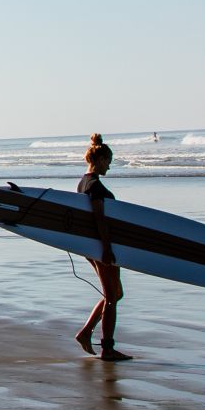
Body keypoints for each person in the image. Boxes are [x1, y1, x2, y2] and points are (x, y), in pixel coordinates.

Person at [73, 134, 132, 361]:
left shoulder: (83, 182)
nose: (110, 165)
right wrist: (107, 248)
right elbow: (100, 220)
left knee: (116, 293)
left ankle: (86, 332)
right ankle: (107, 348)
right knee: (111, 296)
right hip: (101, 246)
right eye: (109, 160)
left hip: (94, 246)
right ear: (99, 159)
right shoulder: (95, 186)